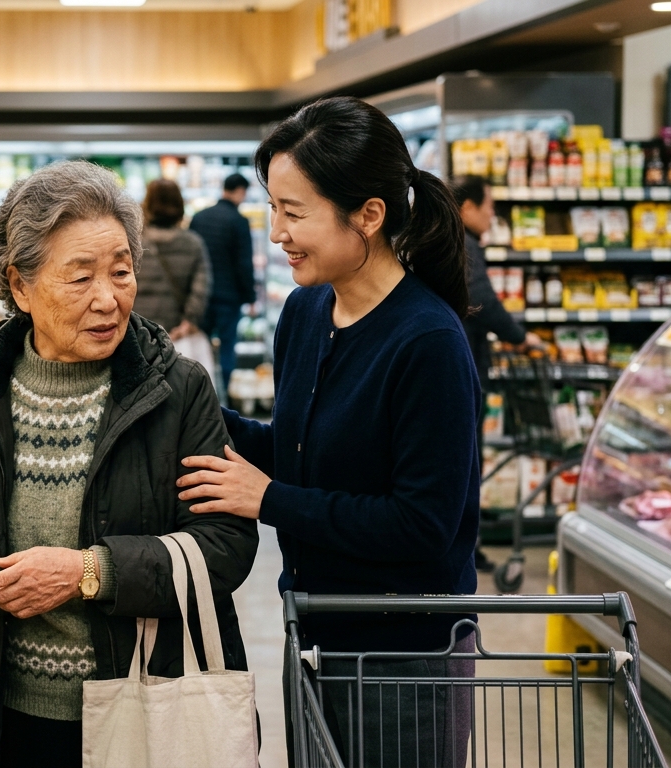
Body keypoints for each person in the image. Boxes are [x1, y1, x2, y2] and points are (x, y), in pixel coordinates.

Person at [0, 160, 258, 768]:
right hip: (5, 716)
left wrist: (91, 572)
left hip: (144, 708)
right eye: (80, 278)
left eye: (121, 272)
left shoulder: (179, 390)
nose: (108, 299)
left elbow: (225, 546)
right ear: (20, 286)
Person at [175, 96, 481, 767]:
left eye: (295, 212)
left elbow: (422, 525)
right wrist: (178, 399)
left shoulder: (428, 342)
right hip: (313, 635)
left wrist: (270, 499)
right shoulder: (307, 310)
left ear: (368, 214)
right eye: (274, 208)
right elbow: (296, 450)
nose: (277, 231)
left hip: (405, 658)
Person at [452, 176, 542, 573]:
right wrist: (520, 337)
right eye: (488, 206)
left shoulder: (450, 243)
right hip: (464, 367)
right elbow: (482, 299)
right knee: (465, 462)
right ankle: (465, 549)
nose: (492, 215)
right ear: (466, 208)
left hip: (462, 363)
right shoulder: (465, 245)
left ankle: (465, 545)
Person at [189, 173, 256, 388]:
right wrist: (250, 296)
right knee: (227, 347)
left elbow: (192, 259)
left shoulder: (199, 218)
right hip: (230, 297)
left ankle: (202, 397)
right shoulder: (239, 221)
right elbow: (244, 264)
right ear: (240, 192)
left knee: (200, 349)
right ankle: (225, 401)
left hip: (202, 296)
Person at [134, 179, 211, 345]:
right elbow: (200, 289)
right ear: (179, 205)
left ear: (147, 204)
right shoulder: (193, 244)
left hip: (136, 328)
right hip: (175, 332)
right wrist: (188, 322)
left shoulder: (132, 242)